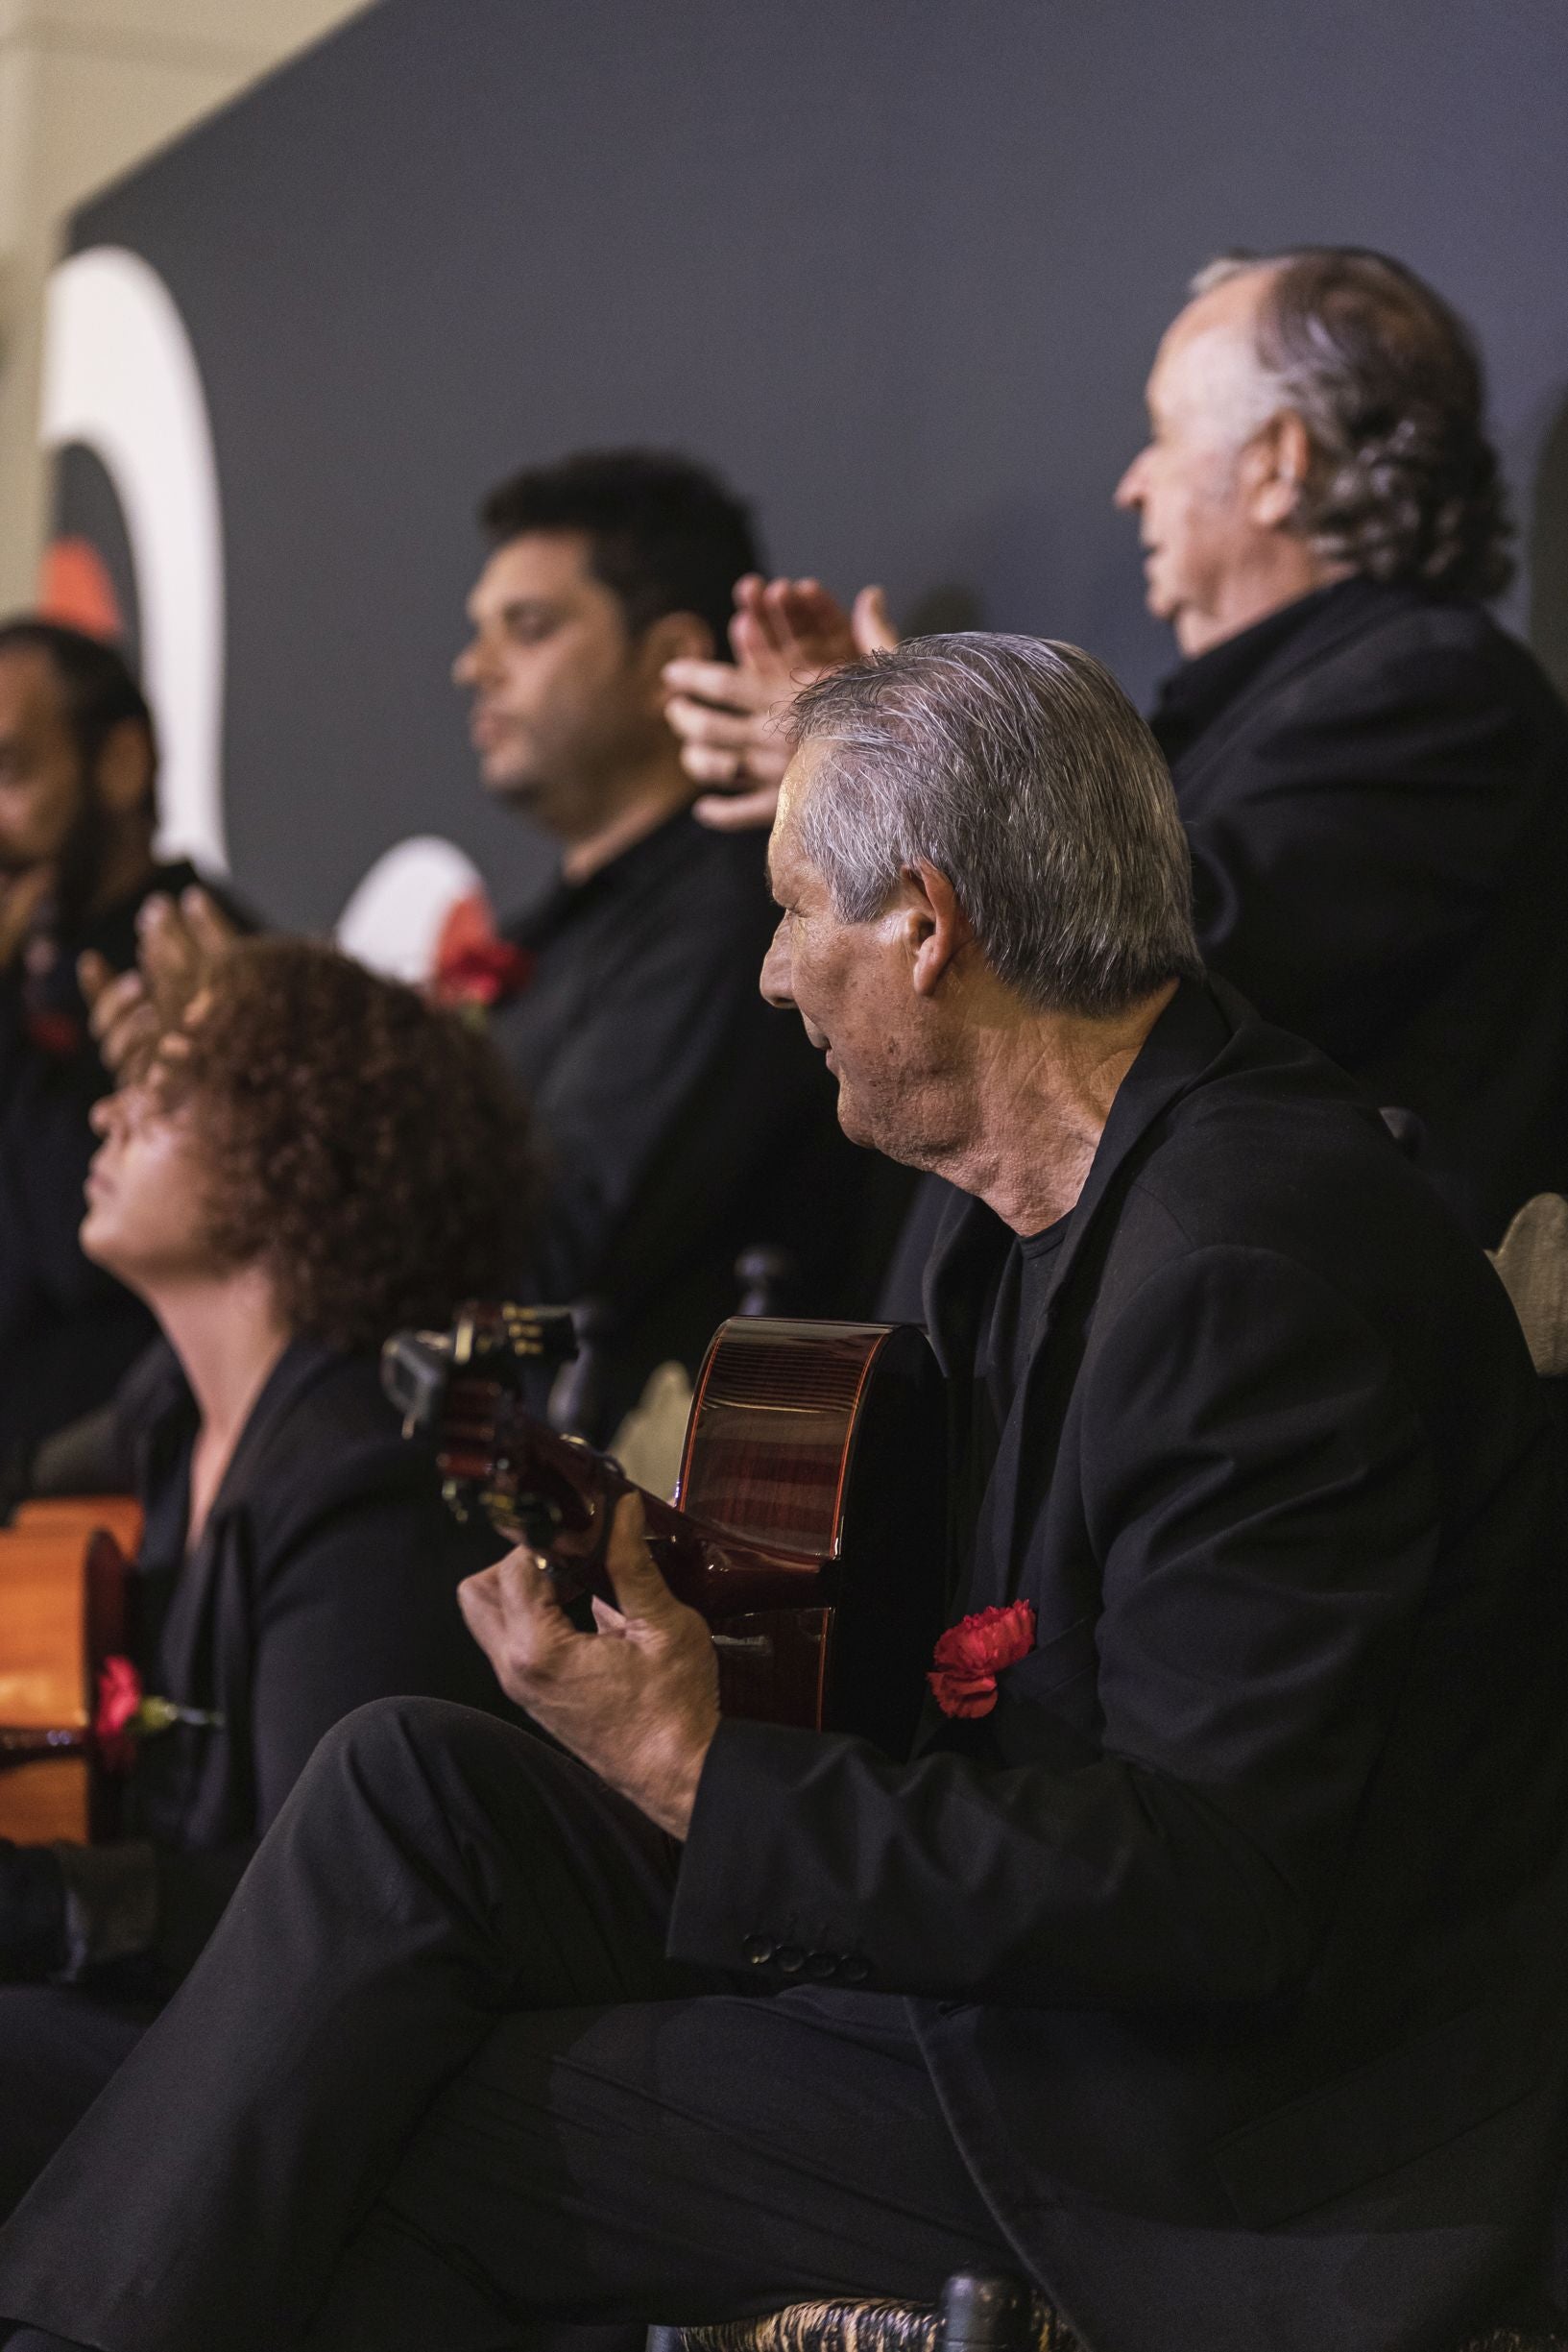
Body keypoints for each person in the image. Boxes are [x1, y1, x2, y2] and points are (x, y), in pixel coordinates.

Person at [3, 634, 1564, 2352]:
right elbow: (988, 1678)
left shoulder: (1240, 1267)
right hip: (1029, 1998)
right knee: (408, 1782)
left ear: (923, 920)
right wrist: (694, 1604)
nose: (763, 973)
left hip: (1212, 2130)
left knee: (436, 2135)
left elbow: (1215, 1882)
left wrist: (695, 1765)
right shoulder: (1031, 1219)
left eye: (790, 907)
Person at [665, 248, 1568, 1248]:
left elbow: (1147, 950)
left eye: (1163, 436)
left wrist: (917, 770)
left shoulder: (1438, 693)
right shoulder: (1256, 708)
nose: (1132, 486)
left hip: (1267, 1333)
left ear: (1277, 464)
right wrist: (880, 771)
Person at [95, 451, 906, 1436]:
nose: (473, 667)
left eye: (527, 629)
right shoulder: (548, 934)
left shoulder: (739, 917)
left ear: (669, 660)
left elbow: (545, 1270)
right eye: (479, 633)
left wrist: (262, 1082)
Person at [0, 936, 536, 2219]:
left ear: (302, 1160)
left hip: (302, 2092)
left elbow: (319, 1905)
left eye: (170, 1092)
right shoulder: (167, 1428)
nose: (111, 1109)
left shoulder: (365, 1479)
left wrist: (35, 1903)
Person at [0, 620, 251, 1463]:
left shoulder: (206, 964)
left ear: (119, 764)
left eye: (11, 770)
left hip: (109, 1486)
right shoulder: (31, 963)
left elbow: (81, 1264)